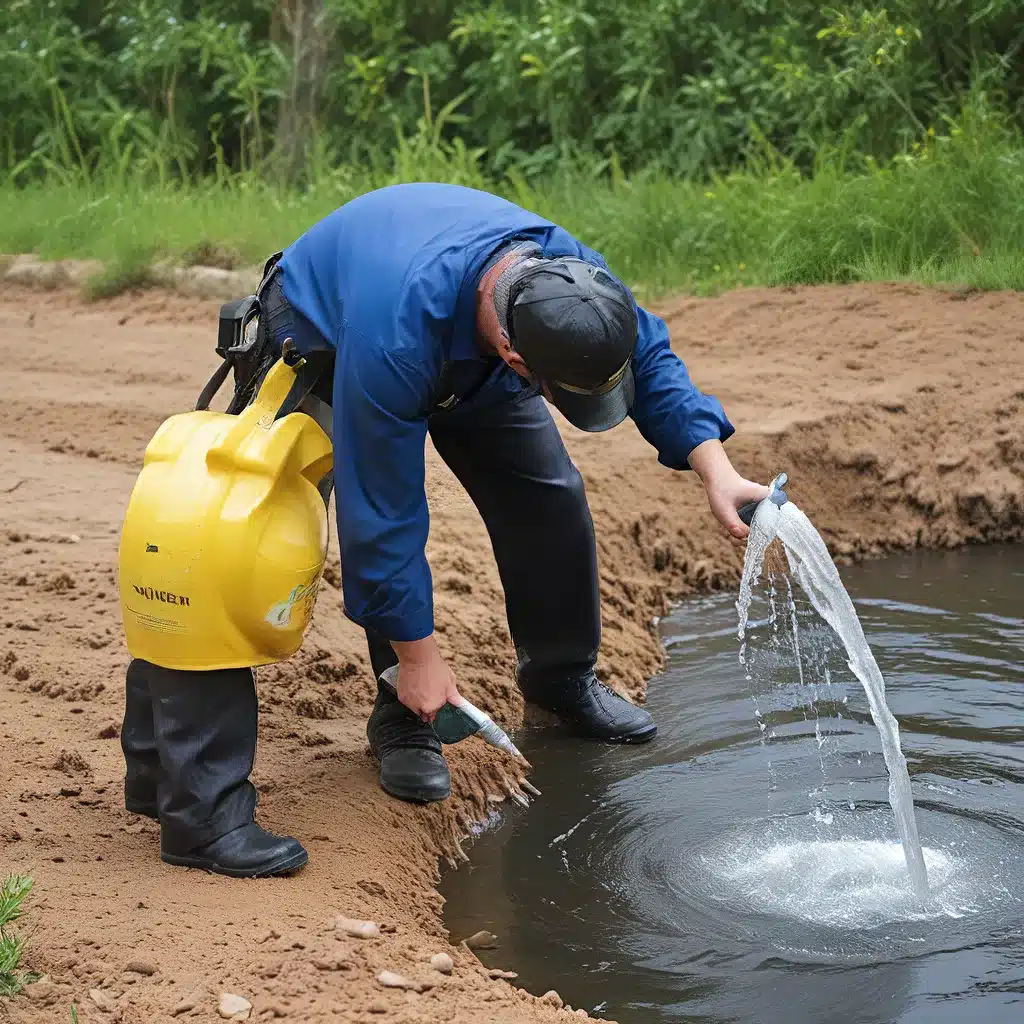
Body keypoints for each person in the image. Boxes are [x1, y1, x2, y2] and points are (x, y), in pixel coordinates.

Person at [118, 182, 767, 878]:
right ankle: (332, 745)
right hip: (326, 339)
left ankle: (559, 681)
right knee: (227, 541)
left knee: (548, 494)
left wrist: (714, 467)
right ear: (520, 361)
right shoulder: (394, 339)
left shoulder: (566, 277)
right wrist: (421, 659)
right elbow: (383, 512)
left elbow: (649, 359)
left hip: (462, 344)